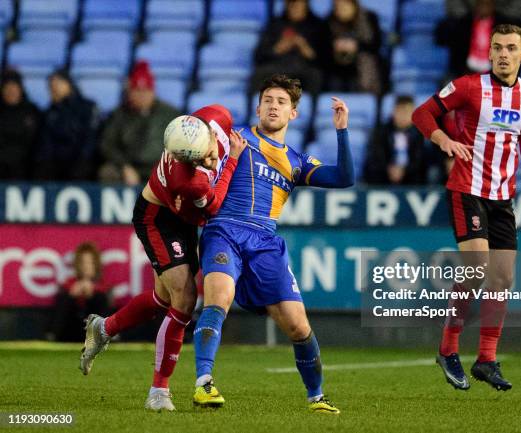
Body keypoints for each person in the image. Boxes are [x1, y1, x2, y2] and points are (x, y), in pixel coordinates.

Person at [192, 74, 354, 414]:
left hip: (265, 240)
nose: (273, 106)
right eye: (268, 100)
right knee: (219, 297)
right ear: (258, 107)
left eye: (281, 102)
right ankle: (203, 383)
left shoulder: (296, 162)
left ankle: (316, 397)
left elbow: (344, 178)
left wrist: (341, 130)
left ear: (293, 113)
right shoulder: (235, 139)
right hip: (224, 229)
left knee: (298, 324)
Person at [80, 105, 248, 412]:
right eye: (200, 161)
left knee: (162, 298)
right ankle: (158, 391)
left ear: (209, 131)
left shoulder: (215, 116)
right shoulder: (189, 178)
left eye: (209, 153)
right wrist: (233, 161)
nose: (209, 161)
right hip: (158, 218)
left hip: (181, 218)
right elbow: (210, 208)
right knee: (184, 299)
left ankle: (103, 329)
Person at [412, 24, 521, 391]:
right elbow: (422, 114)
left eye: (511, 48)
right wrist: (444, 140)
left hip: (503, 197)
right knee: (476, 270)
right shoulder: (469, 87)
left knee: (502, 279)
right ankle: (448, 349)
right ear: (488, 54)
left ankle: (487, 360)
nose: (503, 54)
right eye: (497, 48)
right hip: (466, 189)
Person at [99, 61, 180, 185]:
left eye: (145, 91)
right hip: (130, 168)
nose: (142, 96)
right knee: (108, 172)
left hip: (161, 167)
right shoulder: (118, 115)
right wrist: (124, 166)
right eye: (137, 91)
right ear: (129, 92)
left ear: (152, 92)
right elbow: (107, 144)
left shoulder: (170, 114)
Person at [251, 0, 330, 95]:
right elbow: (258, 56)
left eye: (298, 3)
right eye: (291, 3)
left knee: (316, 76)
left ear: (306, 4)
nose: (295, 7)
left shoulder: (317, 25)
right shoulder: (275, 24)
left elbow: (326, 59)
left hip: (305, 69)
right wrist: (277, 48)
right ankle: (256, 108)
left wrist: (305, 48)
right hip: (277, 67)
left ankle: (314, 109)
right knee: (259, 74)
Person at [35, 68, 99, 180]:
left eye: (57, 83)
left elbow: (90, 138)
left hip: (80, 160)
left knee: (82, 168)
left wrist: (83, 159)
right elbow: (45, 142)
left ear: (68, 84)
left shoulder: (87, 107)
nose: (53, 88)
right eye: (51, 86)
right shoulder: (50, 112)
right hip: (56, 162)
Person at [50, 242, 109, 342]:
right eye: (83, 263)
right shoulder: (67, 287)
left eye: (90, 263)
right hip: (68, 337)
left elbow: (106, 322)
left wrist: (92, 297)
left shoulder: (105, 290)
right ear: (77, 264)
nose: (86, 267)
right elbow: (57, 324)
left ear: (96, 264)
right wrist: (71, 298)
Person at [364, 95, 427, 185]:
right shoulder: (381, 131)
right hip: (384, 175)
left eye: (407, 112)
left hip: (411, 176)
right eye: (400, 111)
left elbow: (419, 158)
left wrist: (404, 170)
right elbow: (377, 155)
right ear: (393, 112)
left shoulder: (419, 133)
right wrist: (389, 169)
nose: (403, 116)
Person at [325, 0, 384, 94]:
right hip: (336, 67)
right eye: (337, 6)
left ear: (353, 5)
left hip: (363, 65)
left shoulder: (369, 18)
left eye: (344, 5)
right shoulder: (329, 21)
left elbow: (376, 45)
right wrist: (335, 47)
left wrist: (356, 46)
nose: (340, 9)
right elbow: (322, 49)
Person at [0, 69, 40, 180]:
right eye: (7, 88)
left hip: (26, 168)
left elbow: (38, 142)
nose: (11, 91)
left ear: (21, 89)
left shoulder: (32, 111)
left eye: (14, 87)